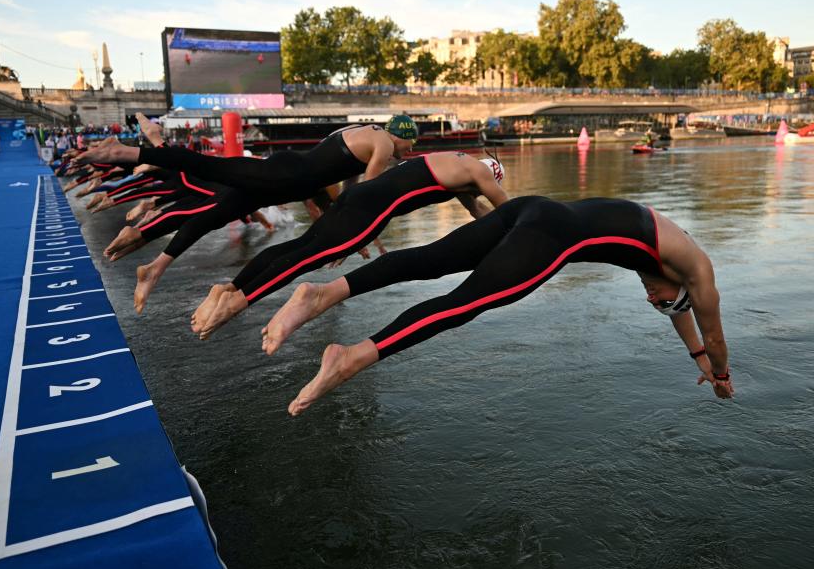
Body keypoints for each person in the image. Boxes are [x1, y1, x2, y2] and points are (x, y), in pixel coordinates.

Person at [257, 196, 732, 416]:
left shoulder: (666, 257)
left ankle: (321, 293)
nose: (653, 300)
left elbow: (681, 316)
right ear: (684, 287)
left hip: (530, 209)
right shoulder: (700, 273)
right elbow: (711, 331)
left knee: (429, 260)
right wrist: (721, 375)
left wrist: (696, 361)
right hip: (550, 238)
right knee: (461, 304)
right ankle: (351, 357)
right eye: (662, 301)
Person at [77, 113, 422, 313]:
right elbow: (366, 194)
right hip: (285, 177)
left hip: (288, 178)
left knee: (216, 212)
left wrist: (351, 234)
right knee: (207, 168)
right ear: (402, 136)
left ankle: (155, 267)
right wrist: (363, 232)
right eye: (410, 146)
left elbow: (340, 192)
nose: (405, 154)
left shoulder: (360, 133)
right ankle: (128, 152)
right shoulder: (385, 142)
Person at [191, 151, 509, 339]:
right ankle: (239, 303)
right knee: (306, 259)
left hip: (356, 195)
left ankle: (227, 290)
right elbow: (509, 213)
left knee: (300, 246)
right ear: (492, 176)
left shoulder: (456, 164)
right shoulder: (482, 173)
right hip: (373, 208)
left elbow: (478, 213)